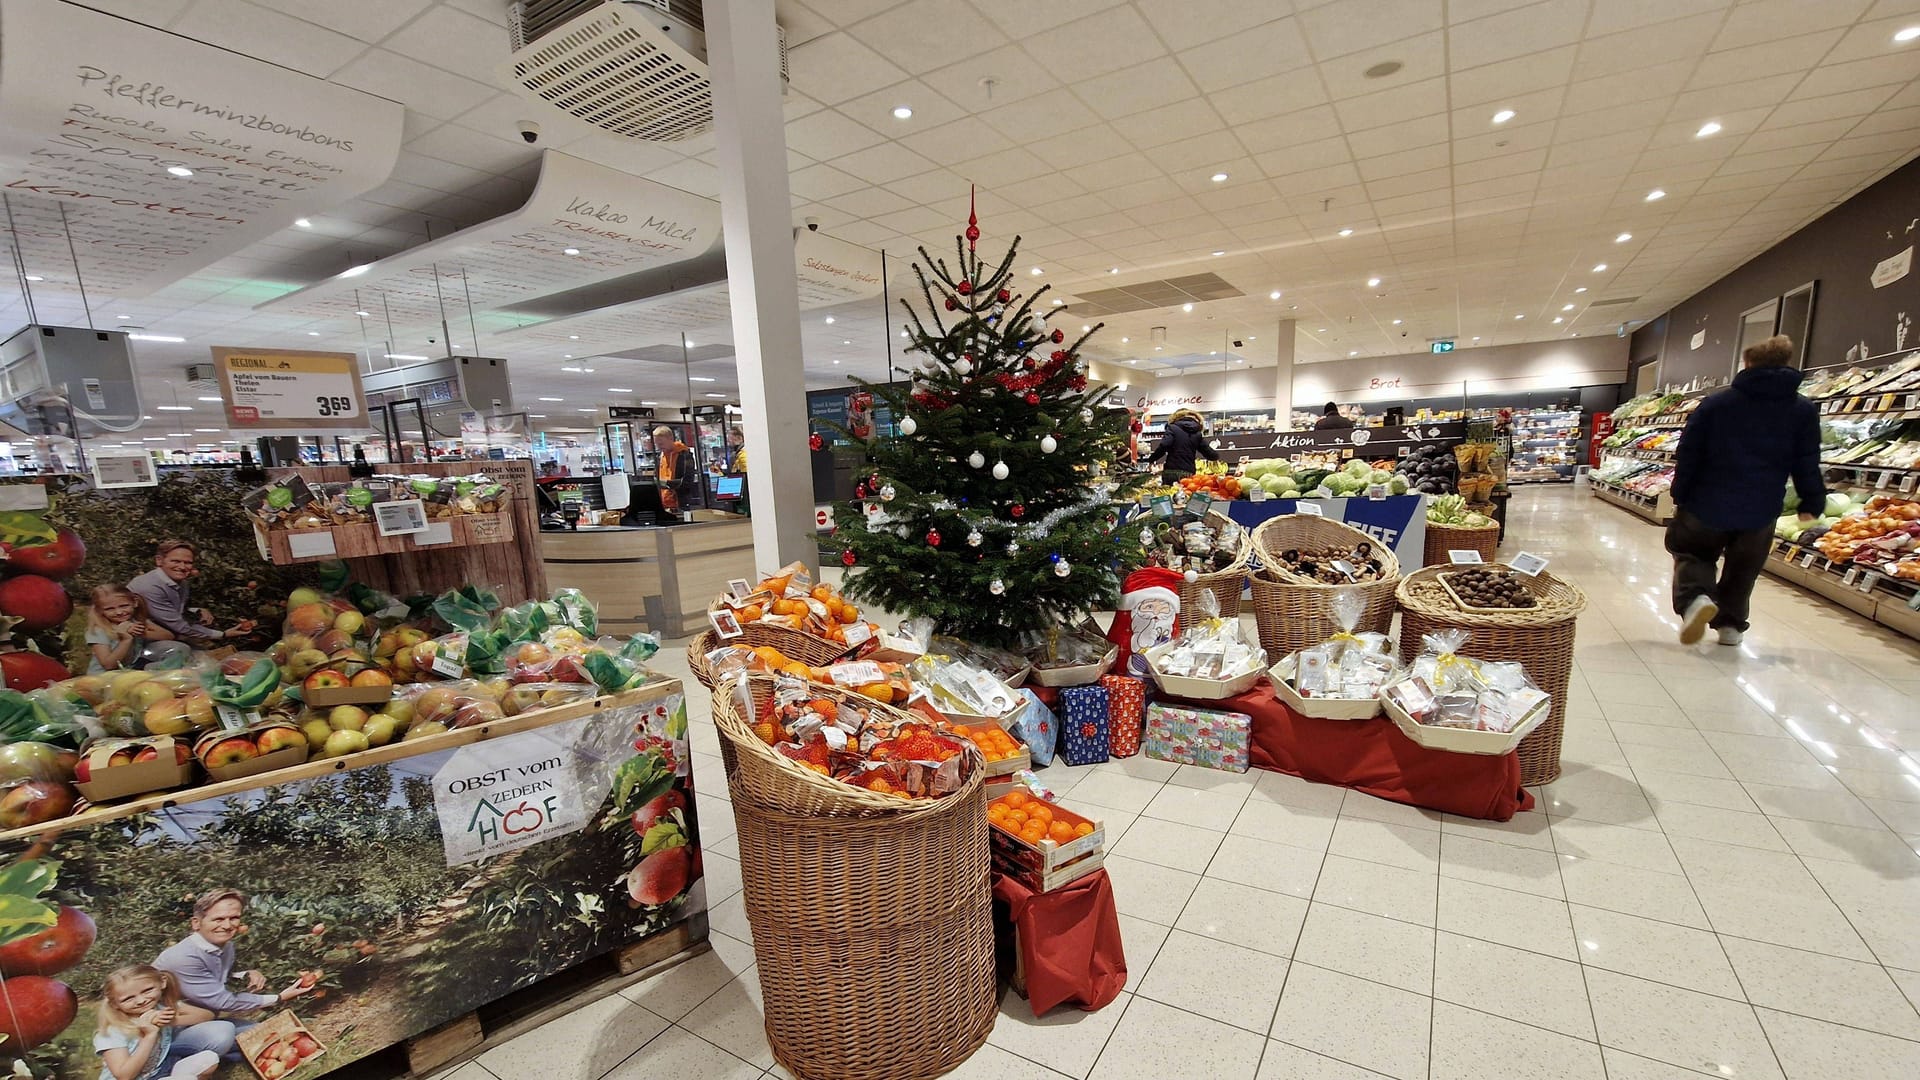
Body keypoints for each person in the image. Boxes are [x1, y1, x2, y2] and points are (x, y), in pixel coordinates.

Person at [1667, 334, 1824, 645]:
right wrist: (1811, 498)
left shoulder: (1717, 404)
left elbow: (1690, 451)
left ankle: (1696, 599)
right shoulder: (1802, 410)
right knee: (1744, 566)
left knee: (1693, 553)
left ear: (1748, 364)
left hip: (1706, 499)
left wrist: (1680, 491)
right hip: (1762, 504)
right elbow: (1807, 459)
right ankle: (1730, 626)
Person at [154, 890, 313, 1034]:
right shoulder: (183, 958)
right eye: (218, 919)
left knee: (258, 1032)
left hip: (200, 1017)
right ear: (196, 923)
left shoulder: (226, 945)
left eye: (234, 918)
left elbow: (213, 976)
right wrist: (278, 998)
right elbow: (222, 1000)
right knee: (223, 1034)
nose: (227, 925)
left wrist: (246, 974)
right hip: (165, 1027)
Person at [93, 965, 232, 1080]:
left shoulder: (160, 1007)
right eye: (128, 998)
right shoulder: (112, 1033)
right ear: (115, 1004)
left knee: (209, 1058)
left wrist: (170, 1020)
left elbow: (206, 1016)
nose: (141, 1000)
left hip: (160, 1070)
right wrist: (149, 1035)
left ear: (162, 983)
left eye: (147, 990)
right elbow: (124, 1076)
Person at [127, 542, 249, 648]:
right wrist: (223, 634)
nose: (182, 567)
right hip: (135, 637)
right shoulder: (150, 586)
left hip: (157, 632)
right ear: (159, 560)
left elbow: (174, 610)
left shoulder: (181, 583)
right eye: (175, 561)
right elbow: (179, 626)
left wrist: (197, 610)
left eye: (188, 563)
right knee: (179, 650)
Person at [85, 584, 173, 673]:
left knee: (177, 649)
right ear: (99, 610)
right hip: (104, 677)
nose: (119, 612)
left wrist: (139, 632)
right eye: (109, 609)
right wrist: (126, 639)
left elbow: (168, 636)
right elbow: (109, 665)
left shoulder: (135, 621)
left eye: (124, 606)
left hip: (129, 671)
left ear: (135, 603)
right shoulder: (98, 631)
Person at [1145, 408, 1218, 481]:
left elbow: (1164, 445)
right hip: (1188, 472)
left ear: (1175, 417)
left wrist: (1152, 459)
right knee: (1187, 491)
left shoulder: (1172, 428)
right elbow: (1210, 454)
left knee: (1170, 491)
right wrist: (1216, 455)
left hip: (1172, 471)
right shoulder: (1197, 433)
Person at [651, 426, 696, 515]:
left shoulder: (684, 455)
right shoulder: (659, 457)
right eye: (657, 444)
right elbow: (656, 478)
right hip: (663, 505)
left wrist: (665, 483)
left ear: (671, 438)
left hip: (681, 504)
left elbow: (687, 481)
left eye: (661, 443)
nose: (659, 446)